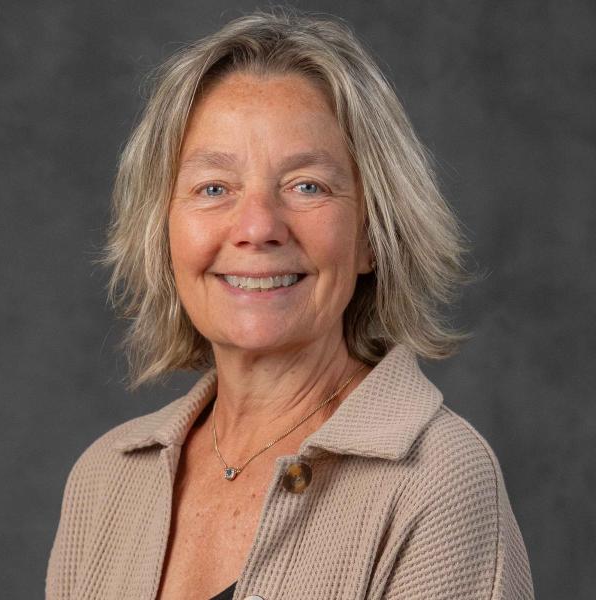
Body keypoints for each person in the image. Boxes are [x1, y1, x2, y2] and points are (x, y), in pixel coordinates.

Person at [45, 10, 534, 600]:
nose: (256, 227)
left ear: (371, 237)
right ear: (164, 231)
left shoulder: (438, 480)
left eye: (307, 186)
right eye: (214, 188)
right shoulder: (106, 479)